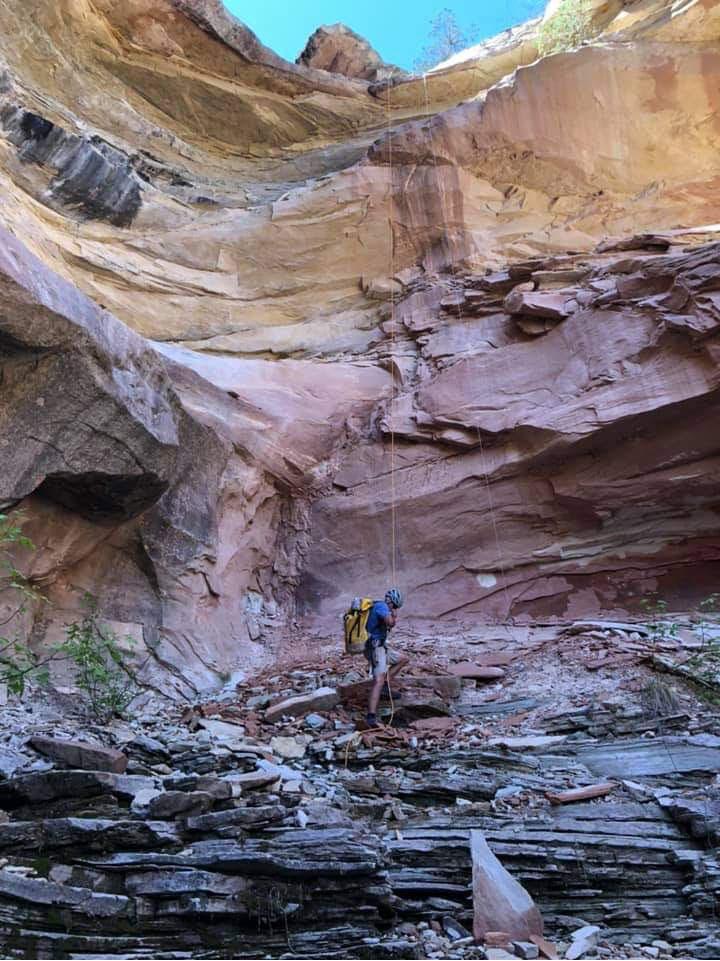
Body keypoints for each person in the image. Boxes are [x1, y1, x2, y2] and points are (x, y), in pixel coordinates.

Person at [364, 587, 406, 728]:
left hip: (381, 647)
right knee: (378, 680)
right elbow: (390, 622)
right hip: (375, 648)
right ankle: (370, 716)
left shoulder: (380, 607)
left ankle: (385, 687)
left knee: (403, 659)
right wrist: (393, 615)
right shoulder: (381, 606)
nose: (393, 608)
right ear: (392, 602)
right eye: (394, 605)